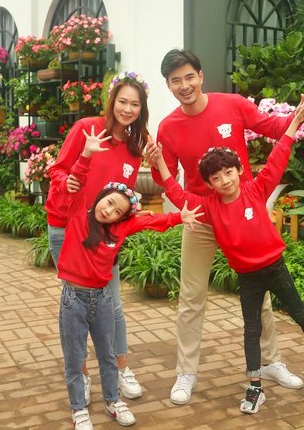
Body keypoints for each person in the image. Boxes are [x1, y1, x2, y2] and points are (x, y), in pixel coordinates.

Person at [150, 96, 304, 414]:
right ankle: (186, 372)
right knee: (192, 297)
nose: (224, 180)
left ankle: (271, 363)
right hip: (200, 218)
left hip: (261, 248)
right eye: (216, 177)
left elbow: (278, 147)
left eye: (188, 76)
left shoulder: (253, 184)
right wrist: (157, 161)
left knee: (269, 308)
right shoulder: (172, 131)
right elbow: (172, 186)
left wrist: (296, 119)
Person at [60, 126, 202, 429]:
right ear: (101, 197)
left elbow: (152, 220)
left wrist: (180, 216)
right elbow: (78, 180)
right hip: (73, 299)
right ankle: (78, 410)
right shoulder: (78, 213)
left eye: (117, 211)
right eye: (109, 202)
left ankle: (113, 401)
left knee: (108, 355)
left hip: (101, 298)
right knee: (74, 357)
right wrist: (85, 154)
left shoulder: (120, 228)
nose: (109, 211)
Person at [46, 73, 150, 403]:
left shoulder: (134, 149)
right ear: (112, 101)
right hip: (66, 227)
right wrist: (66, 182)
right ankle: (82, 374)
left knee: (113, 303)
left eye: (135, 104)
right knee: (73, 306)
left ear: (142, 109)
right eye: (123, 101)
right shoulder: (87, 129)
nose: (128, 109)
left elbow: (122, 202)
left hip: (103, 237)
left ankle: (121, 369)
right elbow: (57, 169)